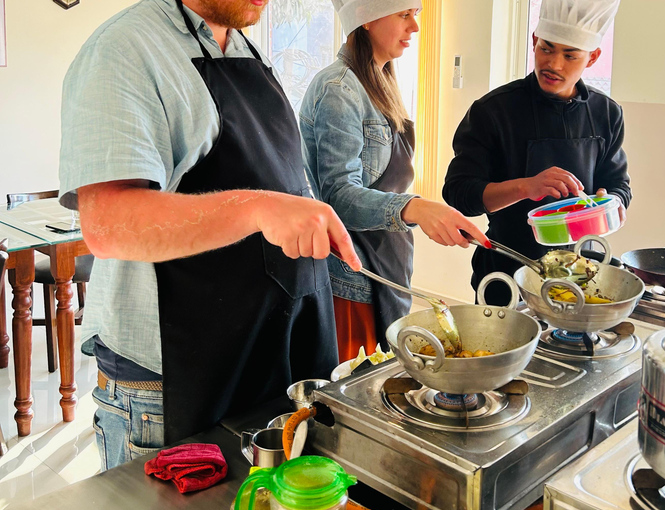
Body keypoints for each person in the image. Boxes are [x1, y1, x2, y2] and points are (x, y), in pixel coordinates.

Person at [58, 0, 362, 470]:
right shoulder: (124, 49)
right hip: (173, 383)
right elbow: (109, 224)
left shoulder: (243, 47)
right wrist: (259, 207)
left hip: (263, 355)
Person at [300, 0, 489, 360]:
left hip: (386, 267)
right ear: (366, 19)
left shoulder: (381, 79)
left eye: (415, 15)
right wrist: (416, 208)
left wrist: (423, 211)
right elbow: (338, 197)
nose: (414, 28)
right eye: (405, 15)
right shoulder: (339, 89)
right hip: (351, 279)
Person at [442, 0, 630, 306]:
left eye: (570, 55)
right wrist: (526, 187)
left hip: (580, 273)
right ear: (533, 41)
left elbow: (619, 187)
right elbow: (459, 193)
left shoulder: (606, 113)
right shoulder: (493, 111)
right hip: (507, 270)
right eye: (546, 48)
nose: (554, 64)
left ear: (592, 57)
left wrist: (611, 205)